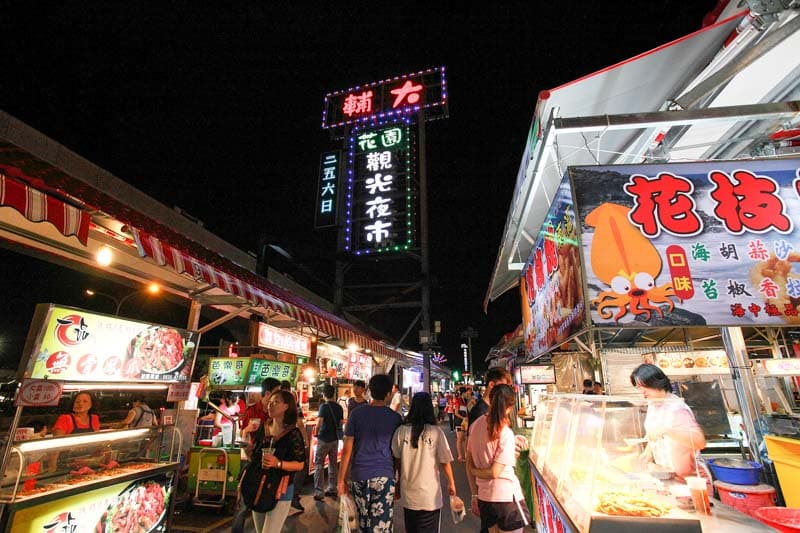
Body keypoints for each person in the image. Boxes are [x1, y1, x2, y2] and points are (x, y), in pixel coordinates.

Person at [337, 374, 403, 532]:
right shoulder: (395, 418)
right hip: (385, 477)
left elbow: (347, 450)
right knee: (381, 523)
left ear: (369, 391)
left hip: (359, 475)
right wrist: (399, 480)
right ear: (388, 394)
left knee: (363, 522)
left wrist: (341, 479)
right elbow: (397, 454)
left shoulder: (356, 415)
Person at [467, 384, 531, 533]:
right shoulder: (505, 432)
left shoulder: (475, 426)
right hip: (506, 498)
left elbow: (470, 458)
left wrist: (473, 472)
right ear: (510, 407)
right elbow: (495, 472)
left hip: (485, 498)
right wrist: (475, 471)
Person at [392, 392, 457, 533]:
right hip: (430, 497)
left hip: (408, 493)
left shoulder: (401, 431)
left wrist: (397, 483)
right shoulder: (436, 432)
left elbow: (397, 460)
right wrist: (451, 483)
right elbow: (445, 461)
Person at [244, 389, 307, 533]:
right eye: (270, 402)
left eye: (276, 402)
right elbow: (254, 455)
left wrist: (278, 463)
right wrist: (248, 447)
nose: (270, 405)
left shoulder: (293, 433)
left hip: (281, 489)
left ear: (286, 406)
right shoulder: (263, 428)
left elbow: (300, 464)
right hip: (259, 486)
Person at [630, 364, 706, 479]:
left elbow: (699, 442)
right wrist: (647, 454)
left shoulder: (677, 408)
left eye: (644, 386)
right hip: (669, 474)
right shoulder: (653, 403)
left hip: (690, 478)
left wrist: (667, 430)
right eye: (639, 387)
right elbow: (656, 434)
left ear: (656, 382)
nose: (642, 391)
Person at [232, 377, 281, 533]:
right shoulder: (252, 411)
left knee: (266, 497)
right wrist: (247, 431)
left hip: (270, 462)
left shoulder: (277, 413)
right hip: (252, 460)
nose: (278, 397)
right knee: (245, 499)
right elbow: (241, 434)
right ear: (267, 393)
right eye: (276, 393)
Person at [280, 380, 309, 513]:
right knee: (300, 467)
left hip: (280, 443)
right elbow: (300, 424)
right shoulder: (292, 402)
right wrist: (305, 440)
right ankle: (293, 497)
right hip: (291, 441)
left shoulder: (275, 403)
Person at [313, 383, 343, 501]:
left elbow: (319, 423)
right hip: (335, 440)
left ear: (324, 394)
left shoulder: (324, 407)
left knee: (319, 464)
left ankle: (319, 492)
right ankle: (332, 489)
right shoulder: (339, 407)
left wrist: (316, 433)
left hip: (324, 439)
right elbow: (340, 424)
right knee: (333, 464)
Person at [454, 387, 469, 461]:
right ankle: (460, 456)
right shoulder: (458, 401)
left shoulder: (464, 401)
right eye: (466, 392)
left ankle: (465, 454)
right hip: (459, 422)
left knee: (464, 439)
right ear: (463, 393)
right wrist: (463, 418)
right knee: (460, 439)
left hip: (464, 422)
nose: (467, 394)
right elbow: (456, 413)